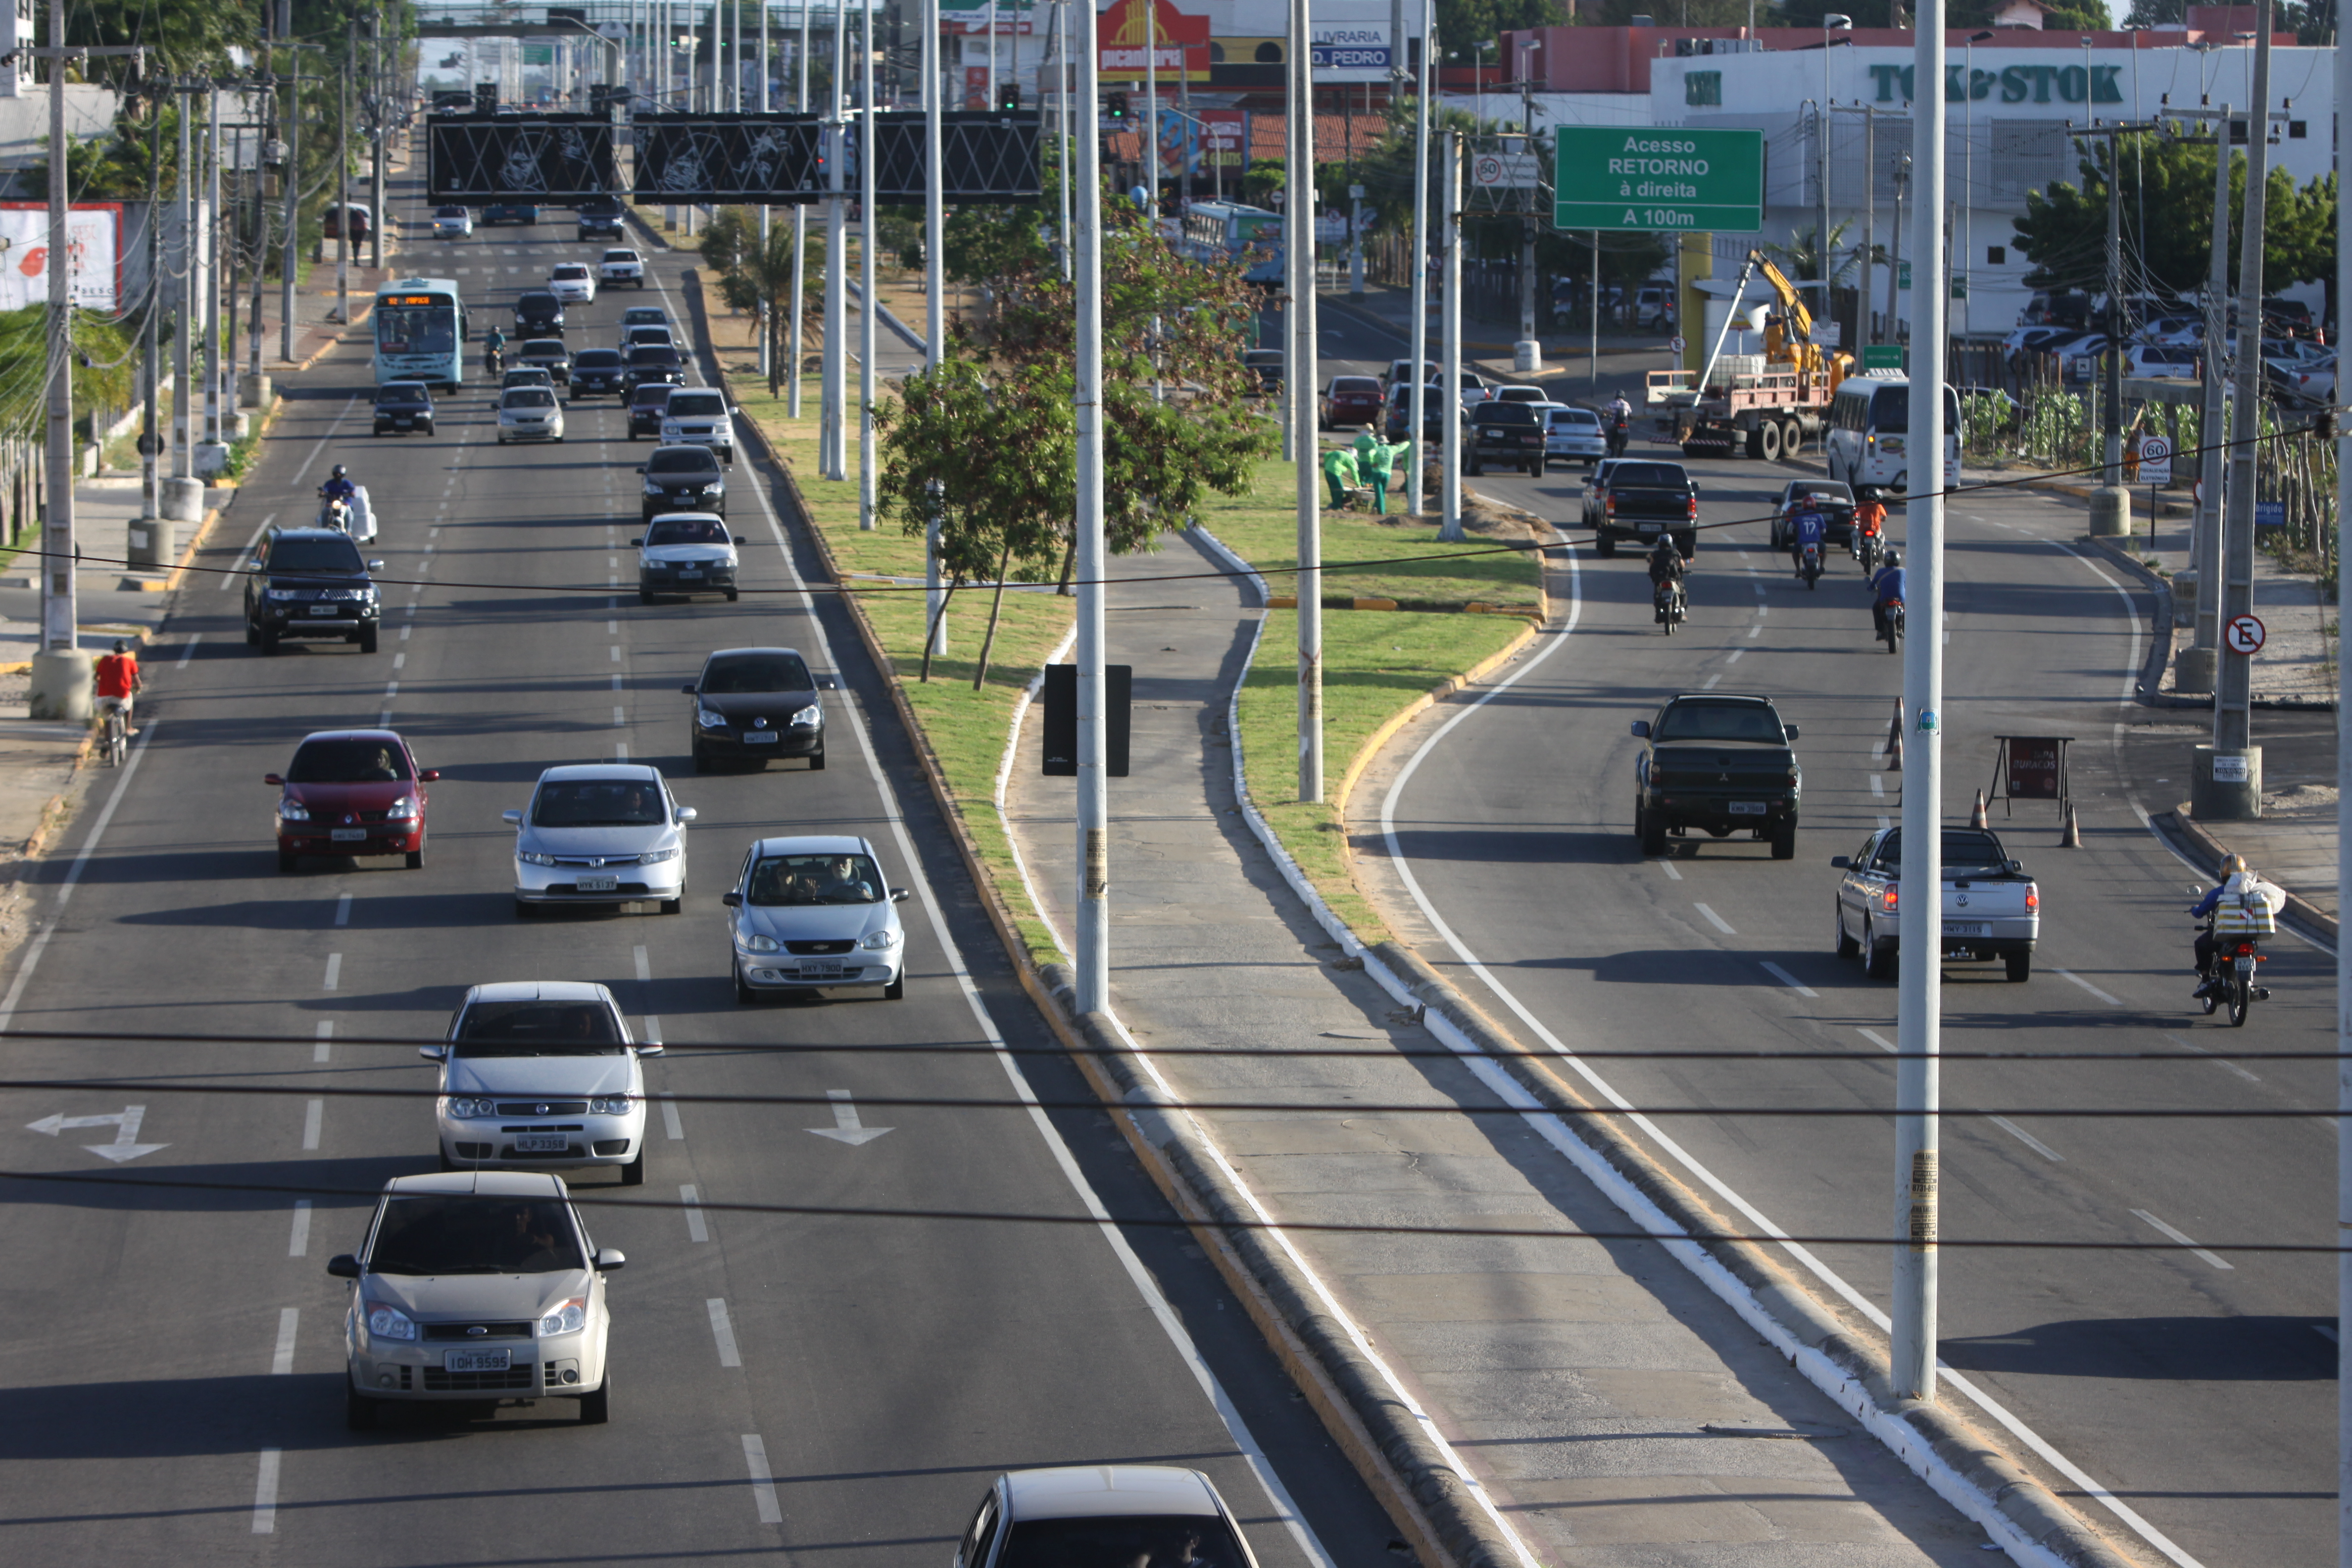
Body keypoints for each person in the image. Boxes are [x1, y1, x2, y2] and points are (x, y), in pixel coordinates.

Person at [2188, 854, 2283, 997]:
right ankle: (2249, 985)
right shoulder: (2254, 891)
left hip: (2225, 938)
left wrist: (2194, 909)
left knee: (2201, 945)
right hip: (2250, 936)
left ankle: (2206, 981)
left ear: (2223, 872)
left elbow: (2200, 912)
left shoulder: (2219, 892)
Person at [93, 638, 140, 735]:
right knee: (129, 703)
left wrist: (102, 682)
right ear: (126, 651)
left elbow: (96, 677)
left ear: (114, 650)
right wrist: (138, 687)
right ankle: (128, 727)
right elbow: (137, 681)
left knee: (107, 717)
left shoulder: (105, 660)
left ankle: (106, 742)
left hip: (104, 699)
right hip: (121, 697)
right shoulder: (130, 662)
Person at [1352, 425, 1393, 515]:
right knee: (1370, 482)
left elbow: (1355, 450)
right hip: (1371, 464)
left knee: (1361, 480)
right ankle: (1367, 500)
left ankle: (1360, 496)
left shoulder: (1358, 440)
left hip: (1361, 462)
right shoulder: (1374, 441)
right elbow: (1377, 451)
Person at [1870, 549, 1906, 643]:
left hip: (1884, 599)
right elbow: (1910, 584)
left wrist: (1871, 588)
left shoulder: (1881, 571)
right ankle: (1905, 629)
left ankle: (1880, 631)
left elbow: (1872, 585)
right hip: (1900, 598)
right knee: (1907, 610)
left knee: (1876, 608)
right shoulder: (1903, 571)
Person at [1788, 501, 1826, 577]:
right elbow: (1824, 531)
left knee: (1795, 552)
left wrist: (1790, 533)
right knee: (1824, 549)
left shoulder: (1799, 515)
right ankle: (1822, 567)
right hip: (1816, 542)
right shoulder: (1819, 516)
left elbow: (1790, 527)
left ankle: (1798, 570)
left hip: (1802, 542)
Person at [1320, 444, 1360, 510]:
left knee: (1333, 489)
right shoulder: (1351, 459)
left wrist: (1326, 463)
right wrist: (1358, 484)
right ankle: (1337, 507)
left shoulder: (1338, 452)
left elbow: (1327, 454)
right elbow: (1354, 472)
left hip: (1327, 471)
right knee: (1340, 490)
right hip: (1335, 473)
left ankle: (1335, 504)